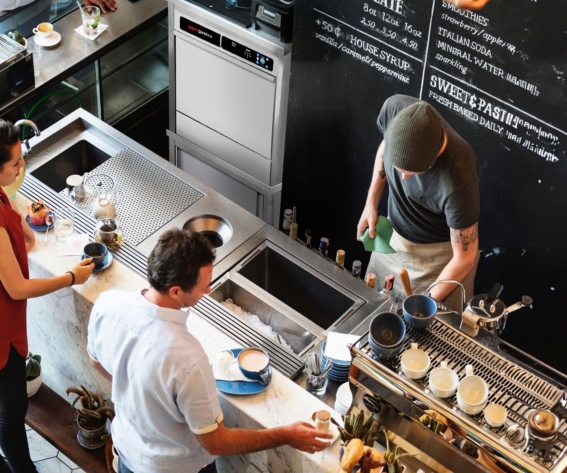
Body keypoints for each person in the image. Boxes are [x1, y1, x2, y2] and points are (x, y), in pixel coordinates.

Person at [88, 229, 333, 473]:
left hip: (127, 454)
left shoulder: (108, 304)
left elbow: (95, 361)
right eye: (204, 287)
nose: (208, 291)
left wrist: (139, 393)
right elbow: (216, 442)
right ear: (175, 291)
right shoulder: (188, 360)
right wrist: (286, 435)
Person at [0, 118, 95, 473]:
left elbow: (26, 241)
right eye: (16, 163)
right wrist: (71, 277)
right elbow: (17, 287)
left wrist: (19, 209)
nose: (22, 165)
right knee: (12, 410)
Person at [356, 95, 480, 312]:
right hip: (392, 242)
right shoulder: (394, 109)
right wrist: (371, 201)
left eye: (411, 173)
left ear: (432, 163)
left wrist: (425, 301)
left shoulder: (459, 178)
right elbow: (385, 145)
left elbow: (466, 256)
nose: (402, 178)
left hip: (437, 262)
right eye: (398, 169)